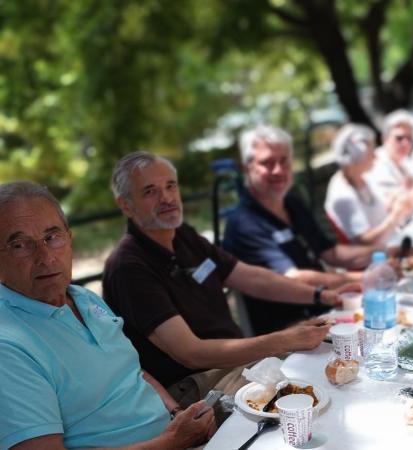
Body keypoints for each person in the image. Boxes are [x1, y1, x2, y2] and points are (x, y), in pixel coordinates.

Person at [103, 151, 346, 408]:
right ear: (126, 205)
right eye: (150, 191)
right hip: (197, 385)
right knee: (305, 392)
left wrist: (321, 294)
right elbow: (191, 353)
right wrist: (284, 339)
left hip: (238, 364)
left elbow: (251, 277)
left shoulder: (181, 235)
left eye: (170, 186)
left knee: (329, 359)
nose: (167, 198)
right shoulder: (128, 267)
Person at [0, 181, 213, 450]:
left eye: (52, 237)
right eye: (19, 245)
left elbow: (131, 371)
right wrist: (171, 441)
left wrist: (177, 415)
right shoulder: (8, 347)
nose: (45, 257)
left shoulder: (82, 297)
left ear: (69, 238)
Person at [223, 125, 387, 336]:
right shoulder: (243, 223)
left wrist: (385, 253)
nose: (278, 170)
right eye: (267, 163)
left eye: (284, 161)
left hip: (328, 311)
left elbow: (329, 252)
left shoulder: (291, 201)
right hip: (289, 331)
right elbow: (294, 277)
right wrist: (364, 277)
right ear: (247, 168)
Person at [324, 123, 413, 245]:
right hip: (379, 256)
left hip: (394, 240)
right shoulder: (342, 195)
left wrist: (398, 196)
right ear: (357, 158)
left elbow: (378, 211)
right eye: (371, 153)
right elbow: (364, 241)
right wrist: (395, 216)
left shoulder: (362, 176)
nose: (376, 156)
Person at [366, 109, 413, 207]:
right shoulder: (376, 164)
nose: (405, 143)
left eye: (409, 138)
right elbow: (396, 207)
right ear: (385, 138)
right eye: (399, 138)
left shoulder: (406, 162)